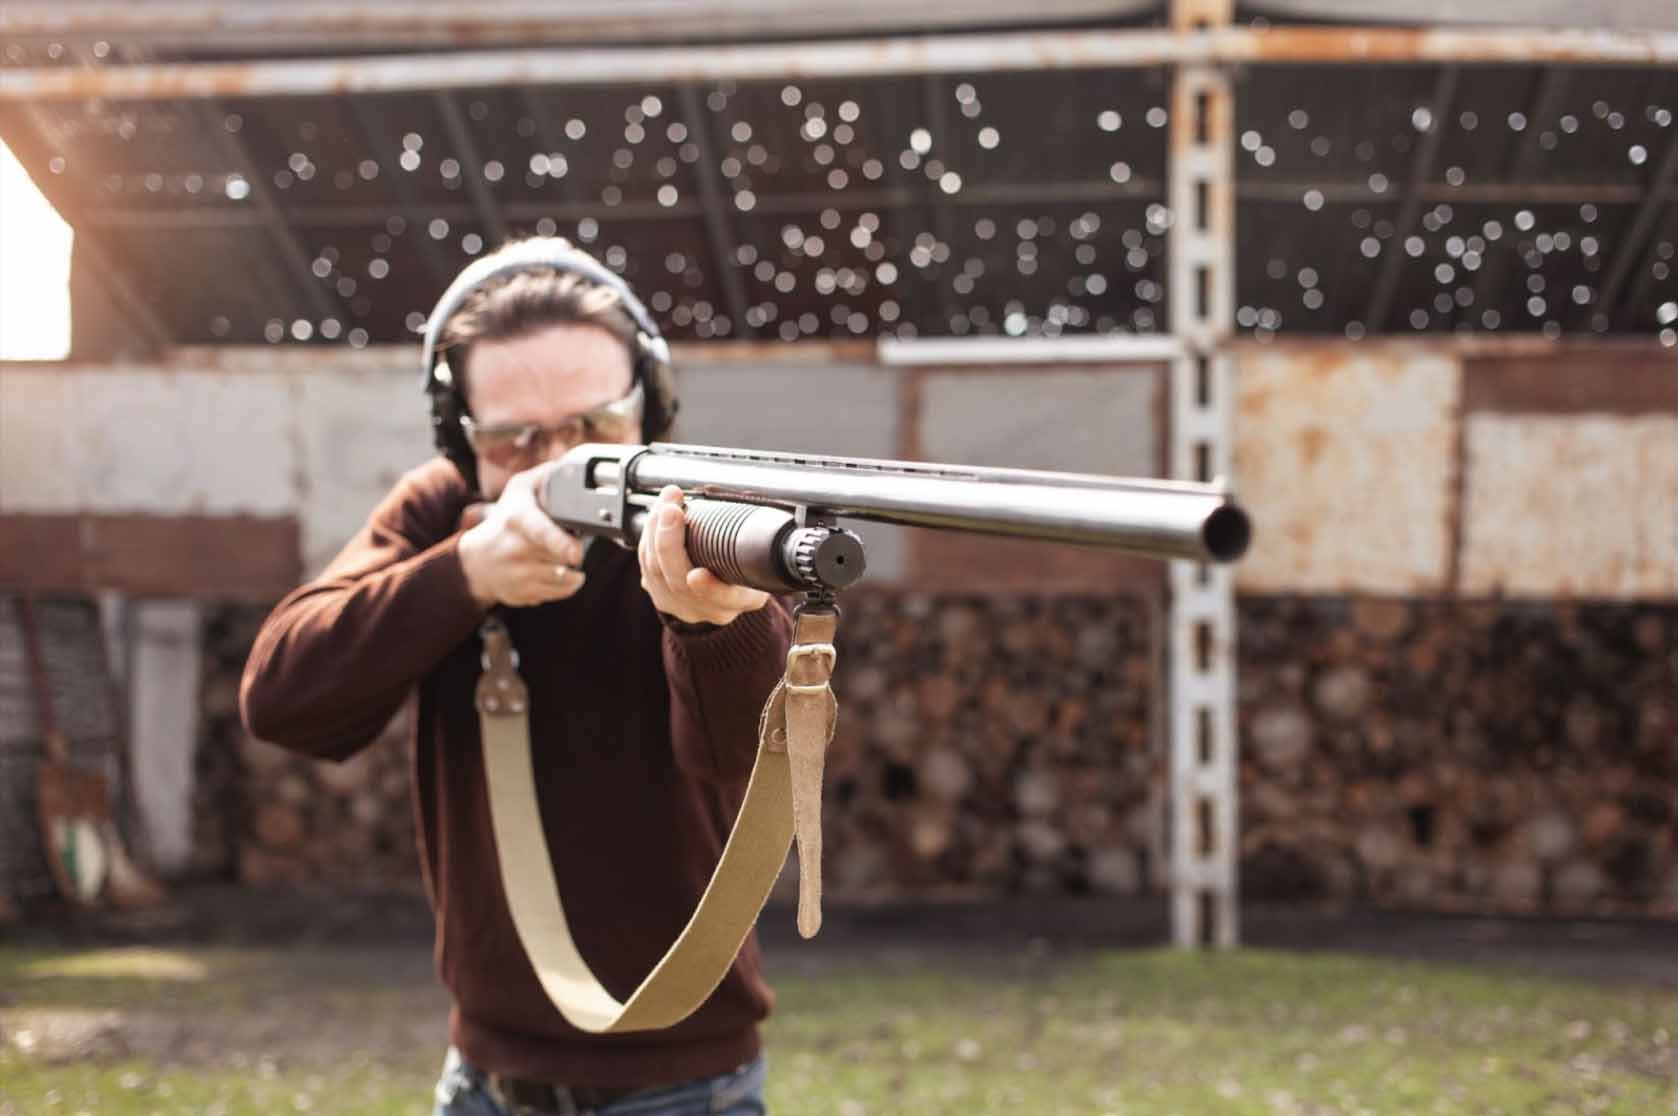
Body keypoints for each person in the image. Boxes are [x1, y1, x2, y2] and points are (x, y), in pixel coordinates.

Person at [240, 238, 794, 1116]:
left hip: (688, 1082)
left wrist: (710, 621)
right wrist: (461, 575)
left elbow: (740, 766)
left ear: (650, 406)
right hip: (487, 1080)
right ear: (461, 439)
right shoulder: (439, 510)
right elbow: (283, 699)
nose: (554, 462)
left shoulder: (698, 519)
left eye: (594, 426)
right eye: (514, 440)